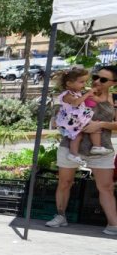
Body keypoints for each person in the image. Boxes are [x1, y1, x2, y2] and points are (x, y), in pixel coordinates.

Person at [47, 66, 117, 235]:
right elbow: (63, 110)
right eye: (96, 77)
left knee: (106, 187)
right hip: (72, 144)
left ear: (113, 84)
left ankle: (113, 225)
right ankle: (61, 215)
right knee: (65, 182)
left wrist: (99, 125)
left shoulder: (114, 98)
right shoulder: (79, 90)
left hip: (101, 147)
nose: (96, 81)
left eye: (103, 79)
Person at [54, 68, 110, 164]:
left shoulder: (76, 92)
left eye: (85, 81)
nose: (84, 84)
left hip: (75, 119)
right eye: (81, 82)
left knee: (77, 136)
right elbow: (75, 103)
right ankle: (96, 146)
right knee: (95, 126)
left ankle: (73, 154)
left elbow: (81, 102)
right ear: (69, 83)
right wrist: (87, 94)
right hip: (72, 120)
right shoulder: (67, 95)